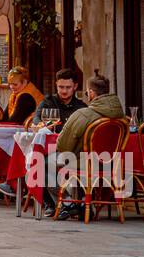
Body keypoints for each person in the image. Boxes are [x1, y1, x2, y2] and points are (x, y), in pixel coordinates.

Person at [53, 74, 127, 220]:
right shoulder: (121, 117)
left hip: (87, 164)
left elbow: (63, 145)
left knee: (45, 163)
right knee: (77, 158)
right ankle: (81, 204)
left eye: (87, 93)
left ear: (92, 93)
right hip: (112, 164)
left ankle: (69, 204)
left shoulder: (83, 114)